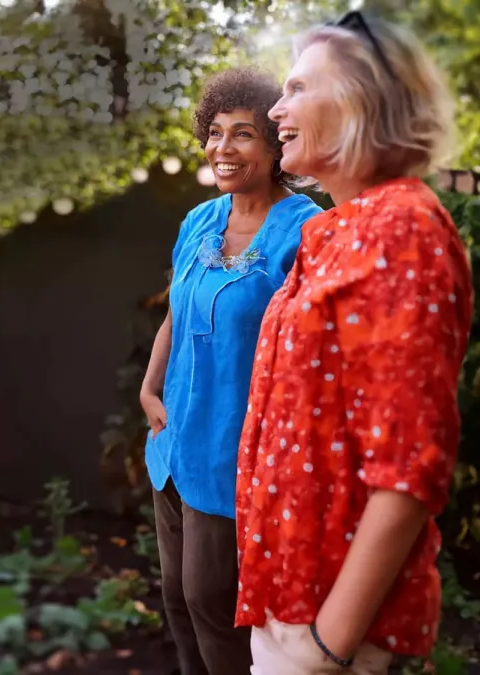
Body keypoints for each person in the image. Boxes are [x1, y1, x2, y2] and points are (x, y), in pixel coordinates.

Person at [234, 12, 474, 675]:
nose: (276, 107)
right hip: (291, 608)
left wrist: (330, 641)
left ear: (365, 99)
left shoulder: (402, 229)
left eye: (298, 87)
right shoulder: (334, 232)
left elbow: (410, 461)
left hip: (333, 631)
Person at [139, 66, 323, 675]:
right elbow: (176, 310)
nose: (223, 147)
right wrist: (148, 386)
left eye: (242, 134)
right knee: (174, 598)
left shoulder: (306, 230)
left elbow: (315, 357)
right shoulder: (199, 222)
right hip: (173, 444)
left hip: (236, 455)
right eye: (215, 133)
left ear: (276, 146)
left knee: (212, 602)